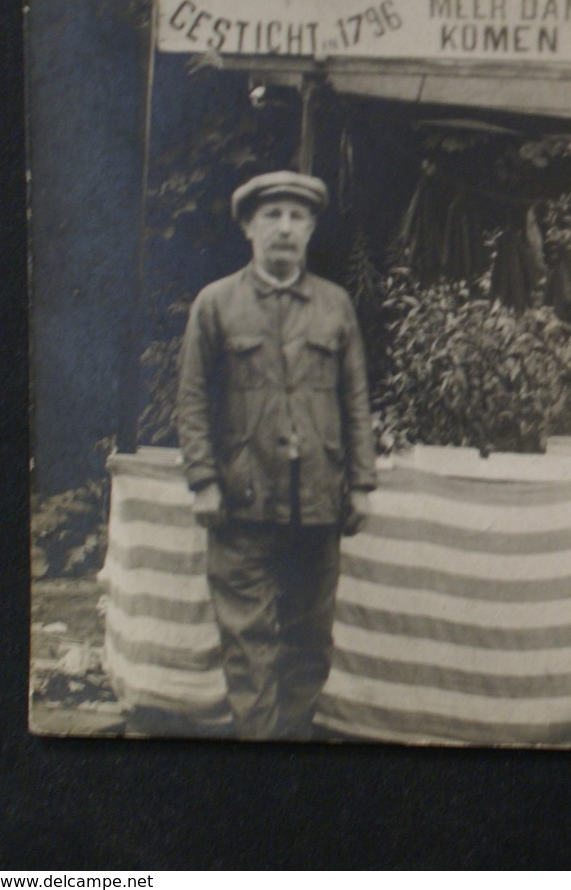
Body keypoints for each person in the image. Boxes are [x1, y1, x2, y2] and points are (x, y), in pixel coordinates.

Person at [176, 170, 376, 739]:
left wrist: (361, 482)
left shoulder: (335, 306)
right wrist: (203, 481)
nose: (284, 228)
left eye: (296, 217)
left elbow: (355, 398)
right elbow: (191, 398)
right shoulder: (215, 304)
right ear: (248, 227)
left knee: (310, 642)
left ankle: (293, 751)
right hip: (241, 503)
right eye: (272, 216)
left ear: (311, 229)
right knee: (249, 644)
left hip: (318, 501)